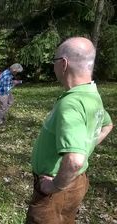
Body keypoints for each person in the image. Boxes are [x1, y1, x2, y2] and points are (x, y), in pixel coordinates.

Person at [26, 37, 113, 224]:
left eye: (55, 61)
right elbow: (107, 125)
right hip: (76, 183)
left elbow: (74, 160)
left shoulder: (71, 103)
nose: (54, 66)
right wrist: (86, 145)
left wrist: (53, 186)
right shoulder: (91, 95)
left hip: (57, 187)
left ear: (63, 64)